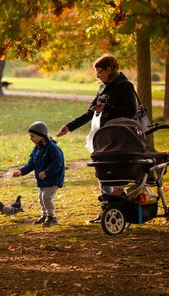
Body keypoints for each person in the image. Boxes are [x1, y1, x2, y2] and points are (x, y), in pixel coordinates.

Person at [56, 54, 137, 223]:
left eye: (100, 72)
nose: (97, 76)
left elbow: (130, 111)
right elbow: (90, 112)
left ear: (109, 69)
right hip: (103, 139)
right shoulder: (102, 88)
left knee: (116, 175)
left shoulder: (125, 86)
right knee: (103, 174)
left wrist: (107, 107)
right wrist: (69, 127)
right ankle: (108, 211)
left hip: (120, 139)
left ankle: (120, 212)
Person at [12, 121, 65, 227]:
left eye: (33, 136)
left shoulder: (52, 147)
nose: (30, 138)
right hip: (42, 181)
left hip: (52, 179)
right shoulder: (37, 148)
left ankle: (51, 217)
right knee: (41, 198)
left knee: (47, 198)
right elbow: (31, 163)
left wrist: (46, 172)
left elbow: (58, 163)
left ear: (41, 135)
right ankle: (45, 215)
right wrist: (22, 171)